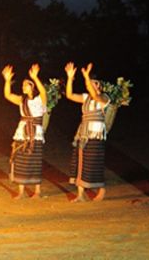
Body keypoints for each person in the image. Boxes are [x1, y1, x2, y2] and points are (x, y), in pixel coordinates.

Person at [2, 64, 48, 199]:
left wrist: (35, 77)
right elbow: (7, 95)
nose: (23, 87)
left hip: (35, 133)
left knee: (35, 160)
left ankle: (37, 192)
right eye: (22, 85)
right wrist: (7, 80)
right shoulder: (22, 100)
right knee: (21, 160)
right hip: (22, 132)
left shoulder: (40, 100)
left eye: (26, 85)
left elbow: (43, 91)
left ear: (32, 86)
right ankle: (21, 191)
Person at [65, 62, 109, 202]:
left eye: (94, 83)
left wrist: (86, 77)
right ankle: (80, 194)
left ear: (99, 86)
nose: (90, 84)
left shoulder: (104, 98)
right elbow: (69, 95)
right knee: (80, 161)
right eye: (90, 83)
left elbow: (96, 96)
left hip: (95, 134)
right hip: (83, 132)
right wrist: (70, 78)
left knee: (94, 162)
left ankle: (101, 189)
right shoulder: (85, 97)